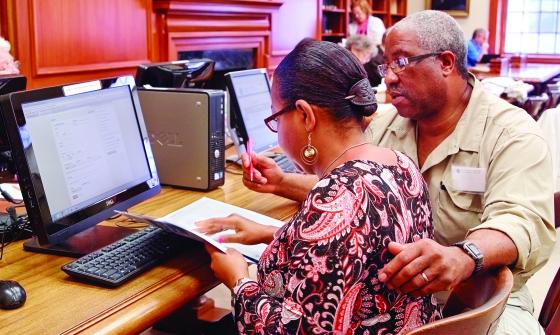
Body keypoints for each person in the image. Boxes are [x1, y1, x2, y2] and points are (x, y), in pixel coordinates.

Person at [222, 10, 556, 335]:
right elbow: (348, 199)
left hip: (483, 299)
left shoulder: (510, 133)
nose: (388, 77)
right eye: (385, 64)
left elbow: (522, 220)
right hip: (409, 303)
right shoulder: (386, 126)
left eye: (401, 61)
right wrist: (280, 184)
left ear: (446, 63)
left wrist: (463, 256)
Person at [197, 38, 442, 334]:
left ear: (305, 115)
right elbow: (355, 251)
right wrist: (273, 234)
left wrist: (239, 280)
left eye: (276, 117)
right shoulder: (403, 164)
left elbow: (291, 330)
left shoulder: (337, 196)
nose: (277, 131)